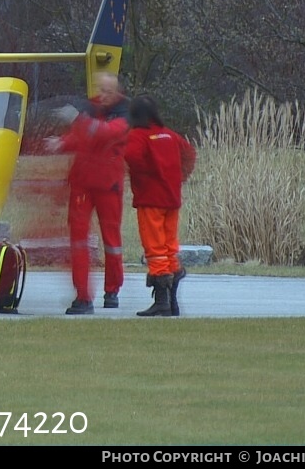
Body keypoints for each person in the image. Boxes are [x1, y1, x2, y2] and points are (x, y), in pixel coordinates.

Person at [46, 72, 129, 315]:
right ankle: (83, 296)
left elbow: (104, 133)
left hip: (107, 185)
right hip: (83, 183)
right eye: (100, 90)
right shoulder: (92, 108)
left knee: (112, 241)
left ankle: (112, 289)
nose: (102, 96)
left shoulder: (124, 113)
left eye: (107, 91)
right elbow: (82, 137)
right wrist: (62, 142)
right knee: (78, 240)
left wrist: (78, 120)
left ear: (116, 92)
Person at [124, 95, 197, 317]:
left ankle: (163, 301)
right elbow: (190, 154)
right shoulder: (170, 135)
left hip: (150, 200)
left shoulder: (138, 135)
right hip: (171, 198)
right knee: (169, 247)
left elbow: (131, 157)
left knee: (155, 250)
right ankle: (172, 300)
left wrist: (144, 178)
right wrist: (178, 177)